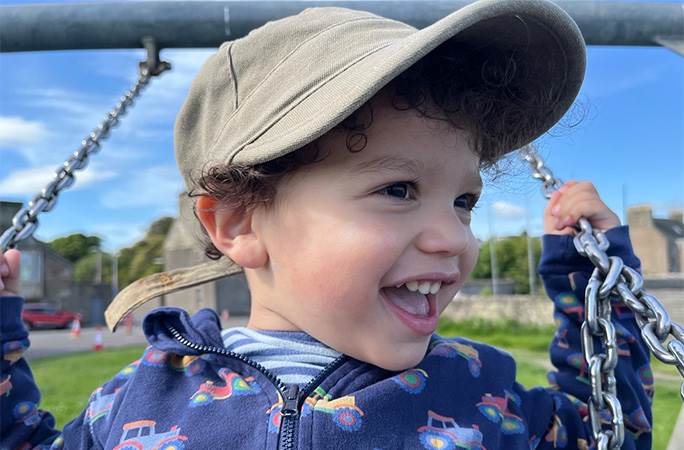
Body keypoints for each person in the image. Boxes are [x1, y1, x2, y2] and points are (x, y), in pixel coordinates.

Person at [0, 0, 653, 448]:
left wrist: (593, 282)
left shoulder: (480, 393)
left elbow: (607, 432)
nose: (456, 238)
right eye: (398, 190)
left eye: (464, 201)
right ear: (238, 224)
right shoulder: (142, 395)